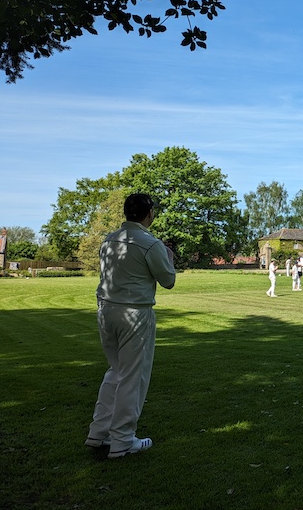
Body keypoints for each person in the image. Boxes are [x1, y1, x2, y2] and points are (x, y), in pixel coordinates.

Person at [85, 193, 176, 459]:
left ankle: (99, 432)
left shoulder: (109, 240)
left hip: (106, 310)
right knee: (133, 377)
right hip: (134, 313)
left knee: (116, 371)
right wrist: (168, 257)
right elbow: (168, 280)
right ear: (149, 213)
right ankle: (123, 440)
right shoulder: (150, 243)